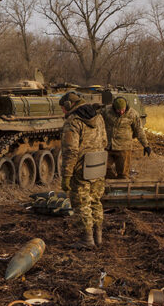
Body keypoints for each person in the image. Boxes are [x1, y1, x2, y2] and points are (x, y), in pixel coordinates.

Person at [58, 90, 108, 249]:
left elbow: (70, 151)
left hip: (81, 169)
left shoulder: (73, 122)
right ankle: (98, 237)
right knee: (95, 201)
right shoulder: (98, 117)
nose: (63, 112)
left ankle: (87, 239)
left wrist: (66, 175)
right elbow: (105, 141)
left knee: (81, 203)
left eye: (63, 108)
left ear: (68, 105)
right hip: (99, 165)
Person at [101, 97, 151, 179]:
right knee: (103, 169)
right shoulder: (106, 111)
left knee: (123, 175)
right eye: (118, 110)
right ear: (114, 107)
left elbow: (139, 130)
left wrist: (146, 145)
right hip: (108, 146)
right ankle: (111, 185)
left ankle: (121, 188)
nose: (121, 112)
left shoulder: (132, 114)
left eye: (123, 109)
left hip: (124, 148)